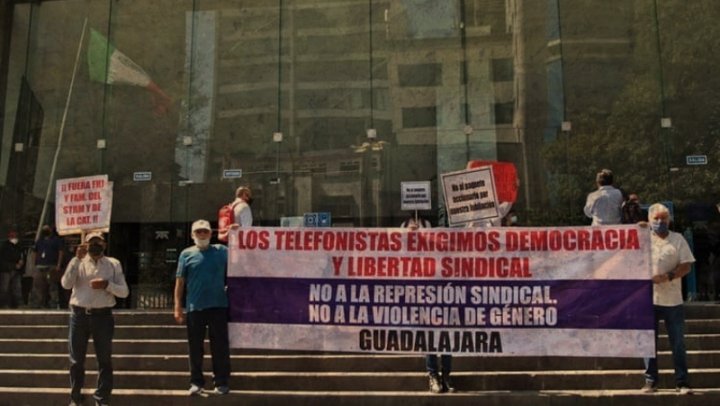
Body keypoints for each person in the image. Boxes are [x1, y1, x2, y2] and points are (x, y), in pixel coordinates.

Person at [61, 231, 129, 406]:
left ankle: (102, 398)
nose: (95, 246)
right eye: (91, 243)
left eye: (98, 242)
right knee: (76, 360)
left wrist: (107, 285)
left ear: (104, 245)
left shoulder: (113, 264)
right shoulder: (77, 262)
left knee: (104, 359)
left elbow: (124, 292)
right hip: (79, 315)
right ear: (85, 245)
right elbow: (66, 284)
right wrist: (75, 260)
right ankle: (75, 398)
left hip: (103, 316)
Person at [174, 219, 232, 396]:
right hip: (195, 307)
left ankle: (221, 382)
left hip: (219, 305)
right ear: (192, 235)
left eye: (205, 231)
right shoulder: (186, 254)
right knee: (195, 347)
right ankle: (196, 383)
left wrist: (239, 233)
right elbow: (180, 282)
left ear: (211, 233)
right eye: (198, 232)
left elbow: (243, 256)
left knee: (220, 346)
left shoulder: (222, 251)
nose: (202, 234)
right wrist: (177, 306)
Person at [641, 203, 694, 394]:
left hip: (673, 300)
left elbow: (687, 265)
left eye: (663, 218)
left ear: (669, 219)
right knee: (648, 342)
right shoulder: (643, 240)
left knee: (678, 342)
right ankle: (650, 381)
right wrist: (633, 230)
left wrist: (668, 276)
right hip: (648, 300)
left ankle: (682, 381)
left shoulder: (678, 239)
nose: (659, 221)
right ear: (649, 220)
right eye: (655, 218)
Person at [401, 216, 454, 393]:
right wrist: (410, 238)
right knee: (430, 337)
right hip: (426, 298)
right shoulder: (416, 252)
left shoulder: (443, 252)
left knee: (446, 338)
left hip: (445, 298)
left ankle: (446, 375)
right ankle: (433, 375)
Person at [31, 225, 65, 308]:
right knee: (39, 286)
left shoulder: (56, 240)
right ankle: (39, 304)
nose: (45, 230)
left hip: (51, 266)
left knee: (52, 287)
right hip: (40, 266)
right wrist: (33, 265)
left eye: (47, 228)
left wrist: (58, 265)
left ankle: (53, 304)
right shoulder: (39, 241)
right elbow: (34, 253)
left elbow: (61, 252)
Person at [0, 230, 25, 308]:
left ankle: (17, 304)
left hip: (16, 270)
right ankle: (4, 304)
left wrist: (20, 263)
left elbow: (21, 255)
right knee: (5, 288)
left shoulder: (18, 246)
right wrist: (14, 265)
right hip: (6, 270)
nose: (15, 238)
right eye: (13, 236)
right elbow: (3, 259)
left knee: (17, 288)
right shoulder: (5, 246)